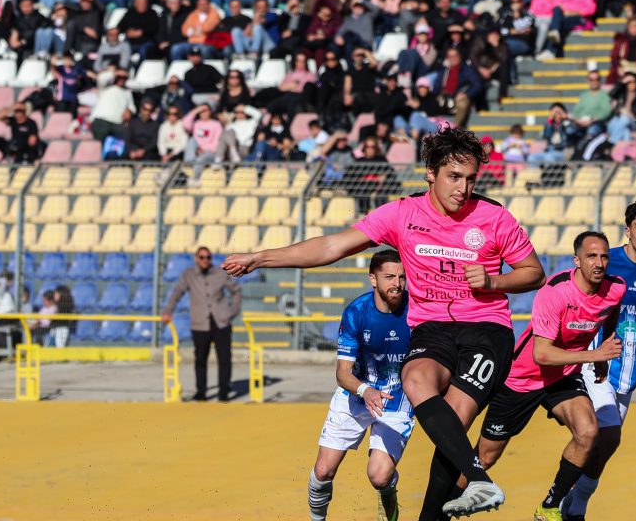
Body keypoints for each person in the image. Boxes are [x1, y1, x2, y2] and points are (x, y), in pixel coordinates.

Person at [223, 127, 546, 519]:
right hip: (432, 328)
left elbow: (534, 273)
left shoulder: (494, 217)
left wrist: (494, 282)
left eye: (471, 179)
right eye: (454, 177)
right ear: (431, 173)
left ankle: (447, 504)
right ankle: (478, 480)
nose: (463, 189)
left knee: (454, 424)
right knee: (416, 380)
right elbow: (332, 246)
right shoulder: (402, 213)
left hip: (486, 329)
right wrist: (260, 258)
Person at [474, 231, 625, 521]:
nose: (599, 263)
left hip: (563, 376)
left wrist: (604, 350)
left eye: (604, 256)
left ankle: (549, 507)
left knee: (588, 432)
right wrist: (596, 355)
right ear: (577, 260)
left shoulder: (616, 287)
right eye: (591, 256)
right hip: (522, 378)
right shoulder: (555, 291)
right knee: (485, 458)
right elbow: (541, 355)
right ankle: (441, 506)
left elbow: (611, 309)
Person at [559, 201, 636, 521]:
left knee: (600, 445)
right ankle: (571, 506)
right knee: (608, 435)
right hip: (596, 365)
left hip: (630, 374)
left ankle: (567, 499)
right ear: (627, 230)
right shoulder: (606, 261)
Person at [308, 250, 412, 521]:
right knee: (322, 472)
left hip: (397, 398)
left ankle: (388, 495)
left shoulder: (418, 310)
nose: (397, 283)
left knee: (379, 476)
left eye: (402, 277)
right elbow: (342, 374)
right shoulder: (356, 312)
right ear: (373, 279)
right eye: (389, 277)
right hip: (357, 394)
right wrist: (366, 391)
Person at [161, 247, 242, 402]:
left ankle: (223, 392)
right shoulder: (188, 275)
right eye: (202, 257)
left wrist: (232, 311)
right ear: (196, 258)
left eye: (208, 257)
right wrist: (167, 311)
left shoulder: (220, 273)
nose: (205, 260)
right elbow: (177, 292)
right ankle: (201, 392)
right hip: (200, 323)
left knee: (224, 358)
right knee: (200, 359)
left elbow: (236, 291)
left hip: (221, 322)